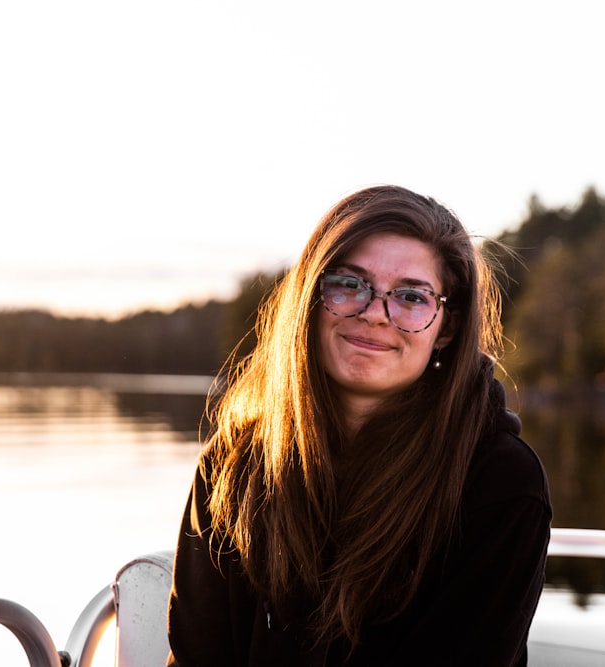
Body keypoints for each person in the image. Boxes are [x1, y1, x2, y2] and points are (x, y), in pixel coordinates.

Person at [167, 185, 551, 666]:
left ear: (446, 328)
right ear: (311, 298)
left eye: (411, 296)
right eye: (349, 284)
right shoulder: (235, 463)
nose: (374, 314)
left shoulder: (500, 483)